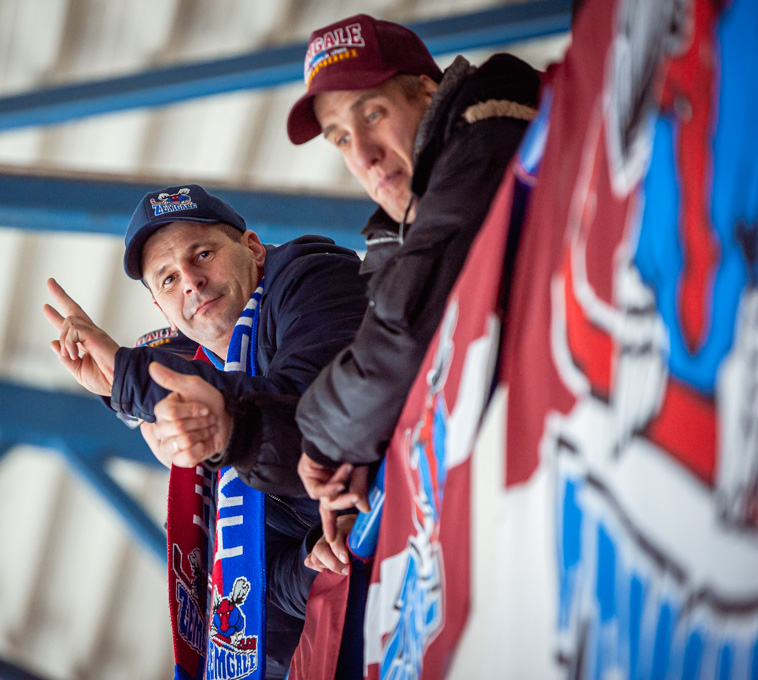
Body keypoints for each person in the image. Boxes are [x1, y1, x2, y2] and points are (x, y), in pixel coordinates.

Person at [155, 14, 541, 572]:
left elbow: (399, 337)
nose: (362, 154)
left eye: (373, 115)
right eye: (340, 138)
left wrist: (324, 439)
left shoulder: (490, 110)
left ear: (427, 92)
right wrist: (362, 458)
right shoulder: (393, 238)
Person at [42, 183, 368, 678]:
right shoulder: (213, 406)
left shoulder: (311, 278)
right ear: (162, 309)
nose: (191, 282)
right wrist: (312, 562)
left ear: (253, 248)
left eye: (203, 254)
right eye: (168, 278)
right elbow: (259, 584)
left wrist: (133, 381)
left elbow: (315, 425)